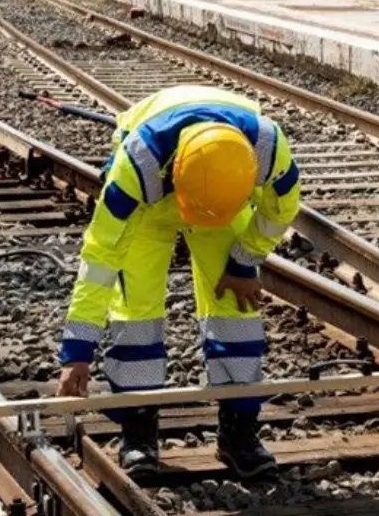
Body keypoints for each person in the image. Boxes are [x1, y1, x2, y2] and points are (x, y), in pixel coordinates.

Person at [56, 85, 302, 478]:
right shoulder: (136, 168)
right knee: (135, 309)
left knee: (236, 310)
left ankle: (239, 432)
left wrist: (243, 261)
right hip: (153, 208)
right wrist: (77, 350)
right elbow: (100, 261)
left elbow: (281, 209)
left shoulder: (269, 148)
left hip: (223, 201)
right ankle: (138, 432)